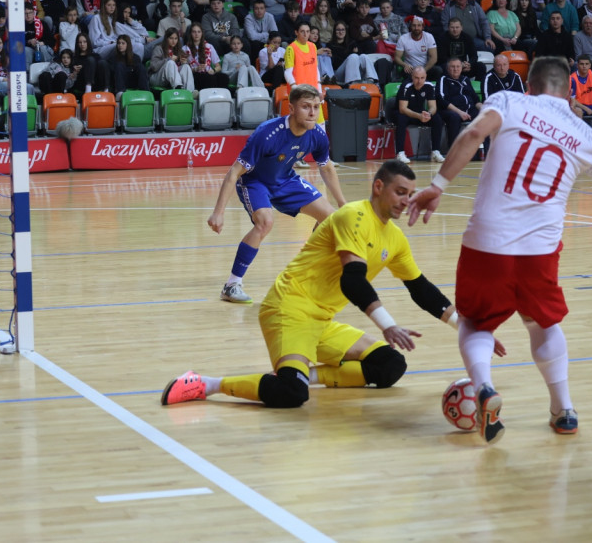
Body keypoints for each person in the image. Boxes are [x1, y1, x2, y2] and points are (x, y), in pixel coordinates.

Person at [408, 56, 592, 444]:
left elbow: (470, 136)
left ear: (528, 85)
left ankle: (483, 386)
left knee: (476, 322)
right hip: (540, 249)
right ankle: (563, 409)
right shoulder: (584, 134)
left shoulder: (509, 101)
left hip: (487, 241)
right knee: (543, 323)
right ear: (569, 91)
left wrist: (437, 185)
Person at [166, 158, 467, 407]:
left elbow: (421, 289)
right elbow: (353, 281)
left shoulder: (395, 238)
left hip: (321, 321)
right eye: (401, 192)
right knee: (290, 394)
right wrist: (387, 324)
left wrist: (466, 329)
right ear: (379, 187)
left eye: (410, 194)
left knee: (389, 366)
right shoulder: (353, 216)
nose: (406, 201)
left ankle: (306, 374)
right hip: (288, 309)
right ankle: (207, 384)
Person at [206, 85, 346, 304]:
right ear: (291, 108)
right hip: (255, 181)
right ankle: (232, 285)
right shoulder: (267, 133)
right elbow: (234, 172)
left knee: (331, 218)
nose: (312, 113)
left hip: (286, 180)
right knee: (264, 223)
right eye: (306, 107)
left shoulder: (318, 133)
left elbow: (326, 167)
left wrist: (342, 203)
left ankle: (305, 270)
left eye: (316, 107)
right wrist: (218, 213)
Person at [394, 66, 444, 164]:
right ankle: (400, 153)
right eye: (416, 78)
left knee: (437, 119)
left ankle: (435, 152)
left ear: (425, 77)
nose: (419, 81)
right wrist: (419, 116)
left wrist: (428, 114)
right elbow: (402, 108)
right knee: (401, 120)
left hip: (419, 112)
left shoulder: (429, 86)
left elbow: (433, 106)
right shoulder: (406, 86)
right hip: (403, 112)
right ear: (412, 77)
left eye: (422, 78)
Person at [436, 56, 482, 151]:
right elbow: (442, 100)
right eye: (453, 67)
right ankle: (453, 150)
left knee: (484, 116)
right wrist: (459, 112)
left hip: (469, 110)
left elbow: (475, 99)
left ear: (462, 68)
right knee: (454, 117)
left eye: (458, 66)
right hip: (450, 110)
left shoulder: (466, 79)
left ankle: (481, 151)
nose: (455, 69)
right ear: (448, 68)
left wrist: (485, 109)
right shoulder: (443, 79)